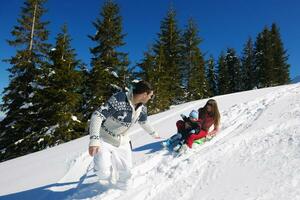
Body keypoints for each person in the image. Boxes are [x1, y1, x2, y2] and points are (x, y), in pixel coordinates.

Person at [88, 80, 160, 189]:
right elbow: (97, 115)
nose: (151, 98)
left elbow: (144, 122)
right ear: (145, 94)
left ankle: (121, 191)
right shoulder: (119, 99)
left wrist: (154, 133)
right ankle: (104, 169)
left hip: (123, 141)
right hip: (105, 138)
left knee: (126, 175)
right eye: (151, 95)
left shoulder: (142, 109)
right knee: (103, 173)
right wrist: (94, 140)